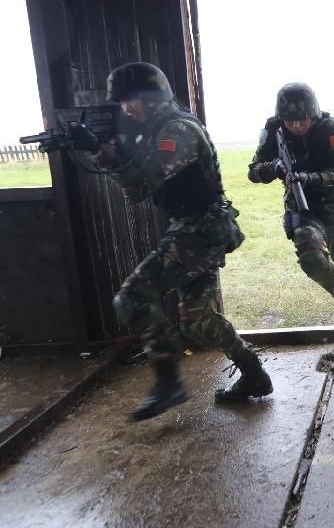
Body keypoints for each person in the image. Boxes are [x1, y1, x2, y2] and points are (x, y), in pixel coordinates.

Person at [73, 61, 273, 421]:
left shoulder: (177, 130)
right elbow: (134, 190)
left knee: (131, 298)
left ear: (151, 97)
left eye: (129, 100)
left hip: (200, 230)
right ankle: (254, 374)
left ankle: (169, 383)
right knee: (197, 319)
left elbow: (143, 179)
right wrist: (101, 151)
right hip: (195, 228)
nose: (125, 108)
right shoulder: (152, 132)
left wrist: (103, 151)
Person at [247, 83, 334, 332]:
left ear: (312, 113)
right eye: (290, 121)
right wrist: (275, 168)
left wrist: (307, 177)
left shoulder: (329, 128)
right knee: (311, 258)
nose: (296, 126)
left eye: (301, 119)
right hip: (303, 209)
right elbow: (254, 172)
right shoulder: (274, 128)